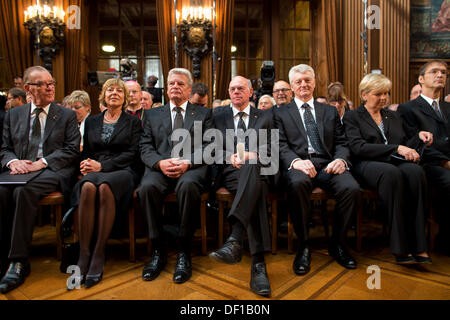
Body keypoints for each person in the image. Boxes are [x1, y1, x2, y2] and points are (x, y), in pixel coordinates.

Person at [273, 64, 361, 275]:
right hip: (299, 165)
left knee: (351, 188)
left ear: (314, 82)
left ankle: (337, 243)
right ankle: (304, 245)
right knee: (297, 183)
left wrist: (341, 159)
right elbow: (280, 144)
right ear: (292, 87)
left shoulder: (329, 110)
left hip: (327, 164)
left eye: (307, 80)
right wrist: (296, 162)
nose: (303, 84)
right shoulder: (280, 113)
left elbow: (342, 141)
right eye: (298, 81)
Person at [0, 66, 80, 293]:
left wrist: (41, 162)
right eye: (44, 84)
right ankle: (3, 256)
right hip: (19, 169)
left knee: (23, 191)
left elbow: (71, 150)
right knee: (4, 191)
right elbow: (4, 148)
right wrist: (12, 162)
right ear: (28, 88)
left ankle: (19, 261)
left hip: (51, 170)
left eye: (51, 82)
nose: (50, 87)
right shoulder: (14, 114)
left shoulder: (65, 114)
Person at [343, 73, 433, 264]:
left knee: (416, 172)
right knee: (392, 173)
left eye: (386, 93)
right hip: (365, 164)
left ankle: (419, 246)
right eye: (378, 94)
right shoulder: (352, 116)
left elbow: (405, 141)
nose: (384, 98)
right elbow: (358, 147)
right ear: (364, 94)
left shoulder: (392, 115)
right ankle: (400, 248)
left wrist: (419, 135)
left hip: (393, 161)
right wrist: (395, 148)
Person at [137, 68, 212, 284]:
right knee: (147, 188)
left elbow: (209, 145)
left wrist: (188, 162)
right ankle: (158, 250)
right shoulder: (151, 114)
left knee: (188, 186)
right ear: (166, 88)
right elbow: (145, 146)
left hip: (191, 168)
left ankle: (183, 251)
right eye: (171, 84)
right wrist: (159, 162)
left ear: (189, 89)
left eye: (180, 84)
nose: (175, 87)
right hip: (160, 167)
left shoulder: (203, 114)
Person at [68, 78, 141, 289]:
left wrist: (101, 166)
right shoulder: (91, 121)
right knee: (89, 186)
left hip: (123, 171)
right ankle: (84, 254)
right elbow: (88, 151)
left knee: (106, 187)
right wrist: (86, 164)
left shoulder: (133, 121)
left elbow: (132, 154)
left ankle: (99, 252)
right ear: (103, 95)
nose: (115, 93)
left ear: (125, 97)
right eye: (110, 90)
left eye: (119, 90)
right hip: (95, 170)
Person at [209, 76, 273, 297]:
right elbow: (211, 148)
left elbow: (272, 150)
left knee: (253, 167)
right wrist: (229, 157)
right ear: (228, 92)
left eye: (241, 88)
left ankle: (235, 239)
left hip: (260, 169)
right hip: (230, 171)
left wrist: (254, 155)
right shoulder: (218, 116)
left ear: (250, 92)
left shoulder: (265, 116)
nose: (236, 92)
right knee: (254, 190)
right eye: (232, 88)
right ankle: (258, 265)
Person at [398, 60, 450, 255]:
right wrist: (445, 161)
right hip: (427, 163)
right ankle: (444, 239)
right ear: (421, 79)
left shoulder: (447, 108)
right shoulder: (408, 108)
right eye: (434, 72)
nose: (440, 75)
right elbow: (413, 143)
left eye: (443, 72)